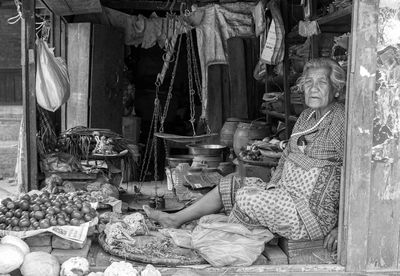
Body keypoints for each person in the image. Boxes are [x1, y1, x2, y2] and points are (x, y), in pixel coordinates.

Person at [144, 57, 345, 251]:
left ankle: (221, 242)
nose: (313, 88)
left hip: (309, 213)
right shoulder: (306, 116)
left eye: (322, 82)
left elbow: (356, 176)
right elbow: (286, 156)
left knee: (248, 198)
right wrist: (272, 187)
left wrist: (342, 226)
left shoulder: (339, 120)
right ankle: (175, 219)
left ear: (336, 89)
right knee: (233, 182)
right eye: (309, 82)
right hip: (287, 196)